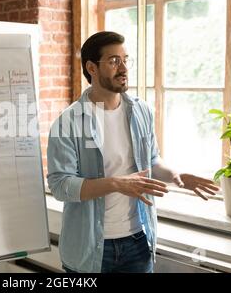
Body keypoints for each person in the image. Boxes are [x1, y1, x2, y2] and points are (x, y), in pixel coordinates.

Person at [46, 31, 219, 273]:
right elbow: (60, 185)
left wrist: (176, 176)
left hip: (137, 242)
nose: (124, 68)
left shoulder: (141, 112)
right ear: (91, 68)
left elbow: (151, 161)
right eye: (114, 61)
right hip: (90, 249)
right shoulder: (69, 122)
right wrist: (115, 183)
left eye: (126, 59)